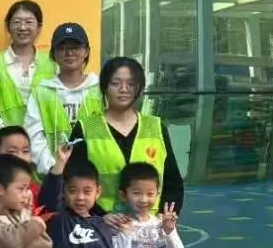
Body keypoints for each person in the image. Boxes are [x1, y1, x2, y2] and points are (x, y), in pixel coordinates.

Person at [68, 56, 185, 213]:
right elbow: (72, 183)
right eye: (115, 83)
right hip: (101, 223)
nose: (123, 89)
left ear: (139, 88)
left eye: (130, 84)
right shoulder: (86, 128)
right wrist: (99, 218)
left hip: (150, 224)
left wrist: (164, 218)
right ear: (104, 87)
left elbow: (173, 183)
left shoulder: (156, 127)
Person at [25, 22, 102, 176]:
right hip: (52, 176)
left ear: (86, 51)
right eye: (62, 48)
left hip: (93, 178)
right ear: (53, 54)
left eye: (75, 47)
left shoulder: (100, 89)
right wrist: (56, 168)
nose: (69, 53)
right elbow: (33, 136)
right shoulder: (41, 92)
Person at [0, 0, 54, 142]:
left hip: (45, 147)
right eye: (17, 22)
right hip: (7, 148)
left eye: (29, 22)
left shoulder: (53, 64)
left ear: (39, 27)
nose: (22, 27)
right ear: (8, 27)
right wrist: (10, 142)